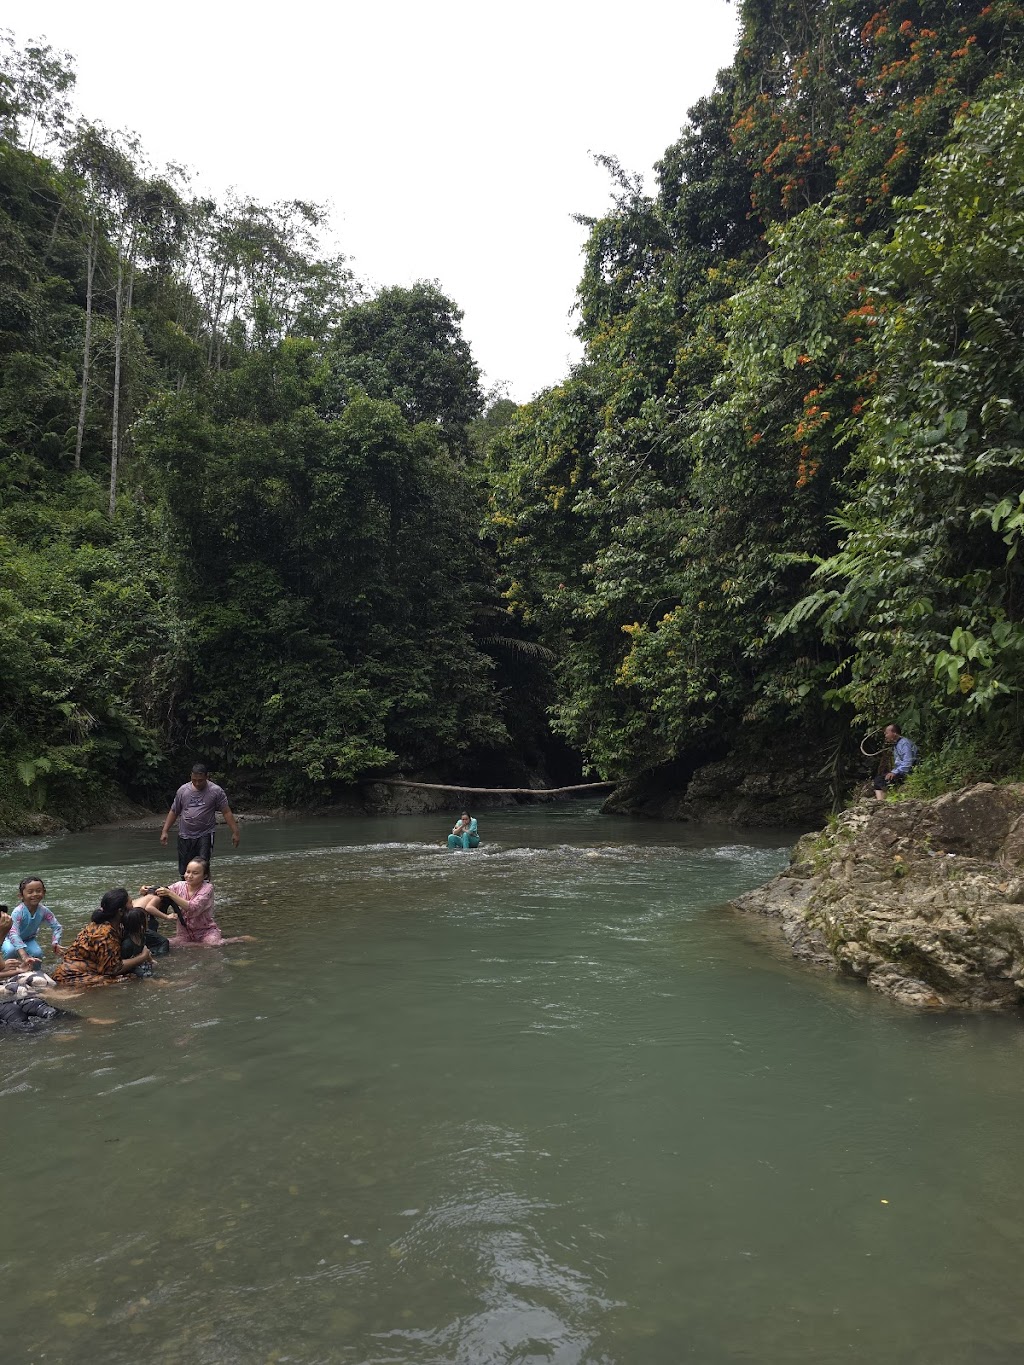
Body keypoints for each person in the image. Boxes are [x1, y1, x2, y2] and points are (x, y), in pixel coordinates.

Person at [52, 889, 151, 987]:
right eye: (130, 903)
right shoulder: (104, 933)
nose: (133, 906)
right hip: (70, 977)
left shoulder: (115, 926)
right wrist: (142, 957)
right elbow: (112, 969)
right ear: (120, 911)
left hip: (84, 970)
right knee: (128, 979)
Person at [160, 763, 240, 877]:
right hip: (185, 835)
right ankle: (185, 892)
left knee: (202, 866)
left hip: (205, 834)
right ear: (190, 777)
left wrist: (235, 832)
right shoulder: (183, 790)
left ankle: (205, 891)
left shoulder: (216, 791)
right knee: (184, 870)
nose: (197, 783)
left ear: (207, 777)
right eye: (194, 780)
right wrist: (165, 831)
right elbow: (174, 811)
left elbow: (226, 812)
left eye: (200, 780)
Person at [154, 859, 254, 948]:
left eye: (195, 873)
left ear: (205, 875)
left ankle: (235, 940)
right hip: (184, 933)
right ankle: (196, 947)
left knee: (213, 945)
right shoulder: (179, 885)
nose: (189, 876)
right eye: (188, 872)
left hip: (206, 931)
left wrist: (171, 894)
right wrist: (147, 890)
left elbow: (193, 907)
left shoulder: (207, 888)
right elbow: (162, 892)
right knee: (167, 944)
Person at [1, 877, 62, 966]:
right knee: (10, 951)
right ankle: (8, 973)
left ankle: (37, 974)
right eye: (30, 892)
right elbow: (13, 934)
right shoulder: (18, 912)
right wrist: (23, 955)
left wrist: (55, 942)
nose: (35, 894)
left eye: (38, 891)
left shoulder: (43, 911)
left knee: (37, 954)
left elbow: (57, 927)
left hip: (29, 939)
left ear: (44, 893)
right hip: (9, 939)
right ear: (21, 896)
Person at [873, 724, 919, 799]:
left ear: (894, 733)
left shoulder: (904, 743)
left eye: (887, 733)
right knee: (879, 779)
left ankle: (881, 802)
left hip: (908, 771)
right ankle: (880, 802)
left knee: (880, 780)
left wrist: (894, 772)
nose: (885, 736)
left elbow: (908, 762)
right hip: (901, 771)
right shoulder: (897, 744)